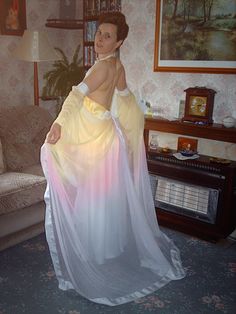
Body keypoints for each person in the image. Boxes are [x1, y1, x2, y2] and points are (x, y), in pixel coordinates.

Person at [41, 12, 185, 306]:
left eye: (107, 36)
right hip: (108, 136)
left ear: (119, 41)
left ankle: (92, 253)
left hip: (99, 141)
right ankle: (106, 248)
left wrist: (57, 123)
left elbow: (74, 98)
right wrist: (133, 123)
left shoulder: (102, 68)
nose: (100, 39)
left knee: (93, 196)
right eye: (98, 34)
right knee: (104, 196)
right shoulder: (117, 66)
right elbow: (125, 99)